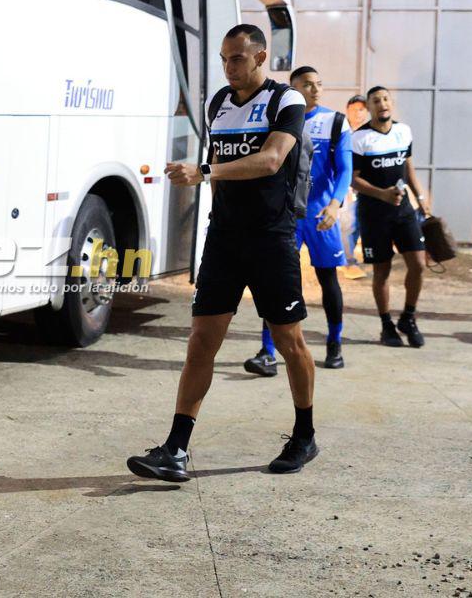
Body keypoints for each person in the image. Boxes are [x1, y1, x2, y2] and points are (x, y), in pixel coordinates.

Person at [126, 25, 318, 482]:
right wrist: (204, 186)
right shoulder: (218, 103)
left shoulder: (285, 100)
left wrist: (204, 171)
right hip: (225, 239)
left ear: (260, 56)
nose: (229, 67)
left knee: (289, 341)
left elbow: (271, 160)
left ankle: (304, 435)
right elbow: (220, 169)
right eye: (224, 59)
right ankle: (175, 449)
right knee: (201, 341)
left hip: (272, 238)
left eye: (237, 58)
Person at [243, 65, 352, 375]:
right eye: (307, 84)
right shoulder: (277, 118)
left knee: (328, 279)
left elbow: (345, 169)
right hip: (285, 215)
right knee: (275, 281)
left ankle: (334, 343)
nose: (315, 89)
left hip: (320, 215)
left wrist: (334, 205)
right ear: (292, 88)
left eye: (319, 83)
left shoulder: (336, 122)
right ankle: (267, 352)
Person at [351, 86, 429, 347]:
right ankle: (387, 326)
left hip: (403, 211)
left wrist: (421, 199)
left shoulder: (403, 131)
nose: (382, 103)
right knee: (382, 271)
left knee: (418, 264)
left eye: (385, 99)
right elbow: (353, 180)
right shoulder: (359, 138)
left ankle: (408, 317)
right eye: (376, 100)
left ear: (391, 103)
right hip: (374, 215)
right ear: (368, 107)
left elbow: (408, 168)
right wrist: (382, 194)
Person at [339, 94, 369, 279]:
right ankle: (347, 262)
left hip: (366, 186)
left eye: (362, 109)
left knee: (358, 223)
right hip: (348, 186)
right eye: (355, 109)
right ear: (347, 110)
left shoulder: (368, 132)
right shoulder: (342, 131)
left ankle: (349, 258)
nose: (359, 113)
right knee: (348, 224)